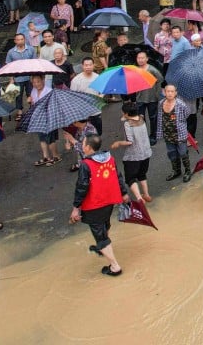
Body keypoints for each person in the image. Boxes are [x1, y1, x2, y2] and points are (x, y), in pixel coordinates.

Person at [69, 134, 128, 276]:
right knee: (105, 224)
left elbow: (82, 187)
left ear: (88, 147)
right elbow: (118, 176)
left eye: (83, 144)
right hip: (109, 200)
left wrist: (76, 208)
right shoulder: (110, 159)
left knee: (100, 235)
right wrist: (124, 192)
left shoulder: (85, 165)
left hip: (94, 204)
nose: (82, 146)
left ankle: (114, 266)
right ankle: (102, 247)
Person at [111, 102, 153, 203]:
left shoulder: (128, 124)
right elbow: (126, 118)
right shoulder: (141, 118)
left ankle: (139, 198)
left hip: (133, 156)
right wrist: (125, 116)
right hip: (146, 152)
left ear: (125, 113)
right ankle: (146, 194)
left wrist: (118, 142)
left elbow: (130, 141)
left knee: (130, 178)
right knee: (142, 174)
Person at [156, 84, 192, 182]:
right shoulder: (161, 103)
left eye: (172, 91)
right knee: (172, 153)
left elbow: (187, 114)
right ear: (164, 92)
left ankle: (187, 171)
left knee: (183, 153)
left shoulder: (181, 104)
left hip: (180, 134)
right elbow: (160, 118)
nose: (170, 93)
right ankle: (176, 171)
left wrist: (180, 123)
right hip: (167, 134)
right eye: (168, 91)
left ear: (176, 93)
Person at [132, 52, 163, 142]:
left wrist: (157, 93)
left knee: (153, 118)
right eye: (139, 58)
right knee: (141, 118)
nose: (140, 60)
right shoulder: (135, 70)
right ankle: (143, 135)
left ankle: (153, 135)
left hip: (152, 98)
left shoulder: (152, 70)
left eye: (142, 58)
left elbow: (160, 79)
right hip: (139, 98)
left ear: (147, 59)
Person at [4, 33, 35, 117]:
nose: (20, 41)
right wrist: (11, 79)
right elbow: (9, 66)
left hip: (29, 77)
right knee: (18, 95)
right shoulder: (11, 52)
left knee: (31, 93)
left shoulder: (31, 49)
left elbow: (35, 63)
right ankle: (20, 110)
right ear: (15, 41)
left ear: (24, 40)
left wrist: (34, 76)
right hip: (17, 78)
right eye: (18, 39)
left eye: (22, 39)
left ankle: (32, 109)